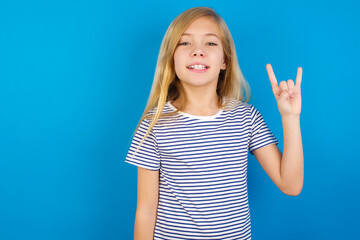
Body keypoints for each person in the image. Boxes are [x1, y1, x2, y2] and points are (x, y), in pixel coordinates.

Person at [125, 6, 303, 240]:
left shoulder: (246, 118)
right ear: (171, 58)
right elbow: (146, 211)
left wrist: (290, 117)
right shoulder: (155, 124)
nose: (198, 51)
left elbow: (291, 185)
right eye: (184, 43)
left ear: (224, 61)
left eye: (210, 43)